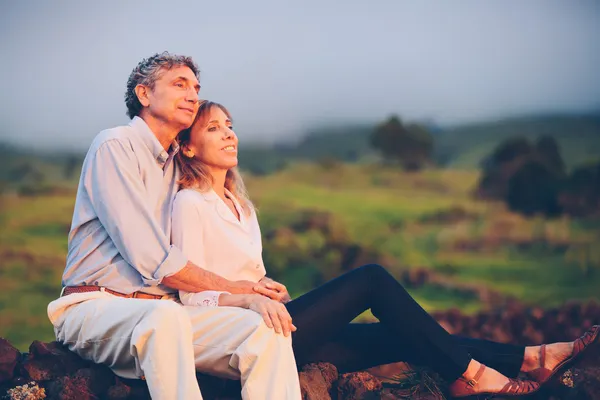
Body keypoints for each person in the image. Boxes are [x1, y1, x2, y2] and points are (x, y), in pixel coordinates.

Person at [171, 100, 600, 398]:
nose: (229, 135)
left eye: (230, 125)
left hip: (278, 330)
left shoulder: (241, 206)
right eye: (213, 128)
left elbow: (244, 272)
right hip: (240, 343)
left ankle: (529, 358)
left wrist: (266, 287)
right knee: (371, 279)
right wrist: (247, 297)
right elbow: (188, 294)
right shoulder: (189, 204)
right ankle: (472, 376)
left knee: (402, 334)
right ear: (188, 147)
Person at [46, 53, 302, 400]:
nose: (193, 95)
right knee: (165, 317)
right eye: (179, 85)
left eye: (196, 87)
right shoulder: (115, 146)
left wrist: (257, 287)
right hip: (96, 308)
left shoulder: (177, 169)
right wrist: (240, 293)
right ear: (144, 94)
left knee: (266, 331)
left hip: (166, 315)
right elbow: (152, 258)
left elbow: (210, 236)